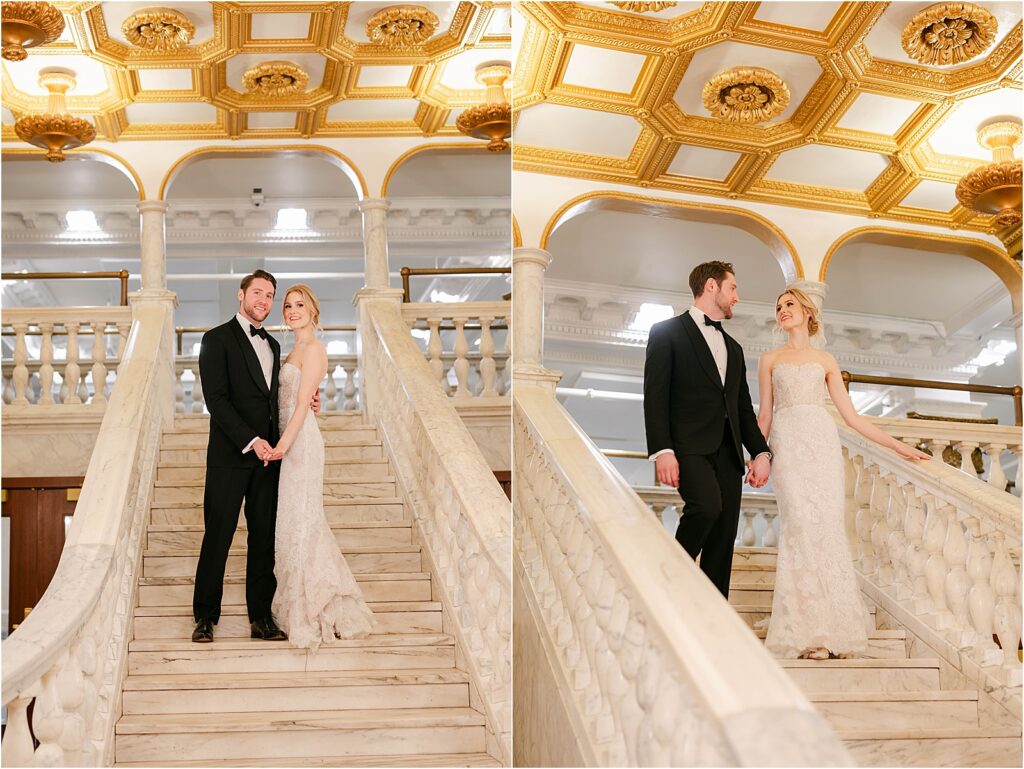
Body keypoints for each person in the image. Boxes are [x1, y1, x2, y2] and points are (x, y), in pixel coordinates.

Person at [758, 288, 930, 659]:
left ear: (806, 311)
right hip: (787, 445)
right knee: (799, 525)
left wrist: (899, 446)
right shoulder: (769, 358)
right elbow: (765, 416)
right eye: (778, 307)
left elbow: (852, 419)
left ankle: (835, 630)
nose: (782, 310)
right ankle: (806, 631)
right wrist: (758, 455)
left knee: (826, 528)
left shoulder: (826, 359)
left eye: (789, 304)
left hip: (821, 445)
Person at [192, 269, 315, 643]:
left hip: (269, 460)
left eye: (270, 295)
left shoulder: (276, 347)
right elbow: (217, 401)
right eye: (258, 293)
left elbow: (274, 396)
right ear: (241, 294)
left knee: (263, 539)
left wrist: (307, 398)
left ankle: (261, 618)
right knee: (219, 536)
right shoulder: (215, 339)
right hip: (231, 456)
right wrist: (252, 440)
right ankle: (205, 617)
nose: (264, 301)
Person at [643, 261, 772, 598]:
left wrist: (761, 452)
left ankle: (716, 621)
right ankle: (666, 580)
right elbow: (655, 397)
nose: (737, 298)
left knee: (723, 537)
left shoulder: (735, 349)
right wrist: (663, 450)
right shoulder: (665, 332)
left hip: (729, 455)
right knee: (706, 507)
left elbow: (743, 409)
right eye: (733, 288)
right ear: (712, 286)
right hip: (688, 448)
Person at [266, 284, 375, 650]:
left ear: (313, 310)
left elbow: (300, 407)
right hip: (288, 435)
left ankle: (316, 606)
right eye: (288, 305)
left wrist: (282, 446)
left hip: (301, 444)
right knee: (293, 522)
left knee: (304, 520)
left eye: (300, 305)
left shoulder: (314, 349)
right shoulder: (291, 348)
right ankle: (302, 600)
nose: (292, 310)